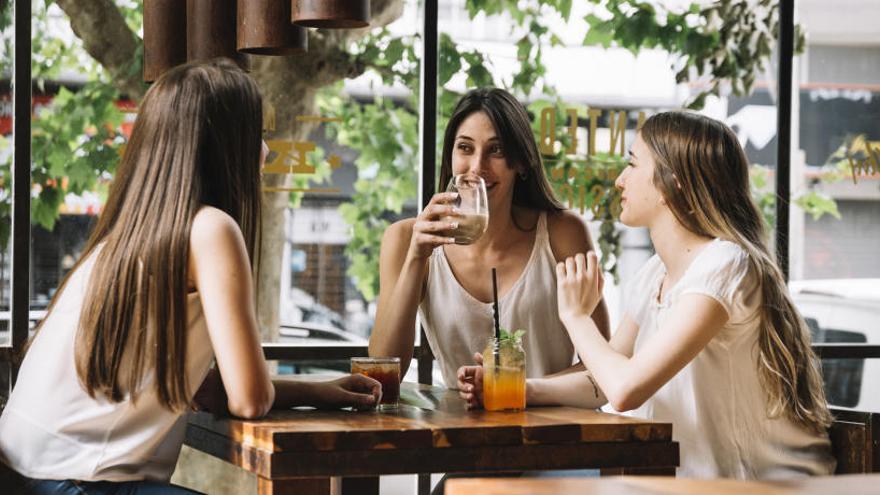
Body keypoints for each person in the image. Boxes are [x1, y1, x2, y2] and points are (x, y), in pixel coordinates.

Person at [0, 59, 381, 494]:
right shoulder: (210, 229)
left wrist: (320, 390)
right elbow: (250, 400)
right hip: (79, 483)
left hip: (27, 476)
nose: (266, 151)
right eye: (256, 135)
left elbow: (210, 392)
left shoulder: (125, 239)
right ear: (224, 146)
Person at [552, 111, 836, 478]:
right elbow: (602, 384)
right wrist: (515, 390)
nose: (620, 180)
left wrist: (575, 316)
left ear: (674, 183)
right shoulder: (654, 274)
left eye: (632, 165)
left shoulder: (726, 264)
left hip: (765, 488)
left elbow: (624, 389)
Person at [369, 87, 610, 408]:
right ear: (450, 156)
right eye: (465, 148)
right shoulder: (404, 239)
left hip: (555, 435)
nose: (477, 167)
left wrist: (512, 388)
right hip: (459, 439)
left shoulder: (562, 233)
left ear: (521, 162)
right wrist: (416, 258)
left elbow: (604, 370)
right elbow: (383, 373)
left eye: (496, 151)